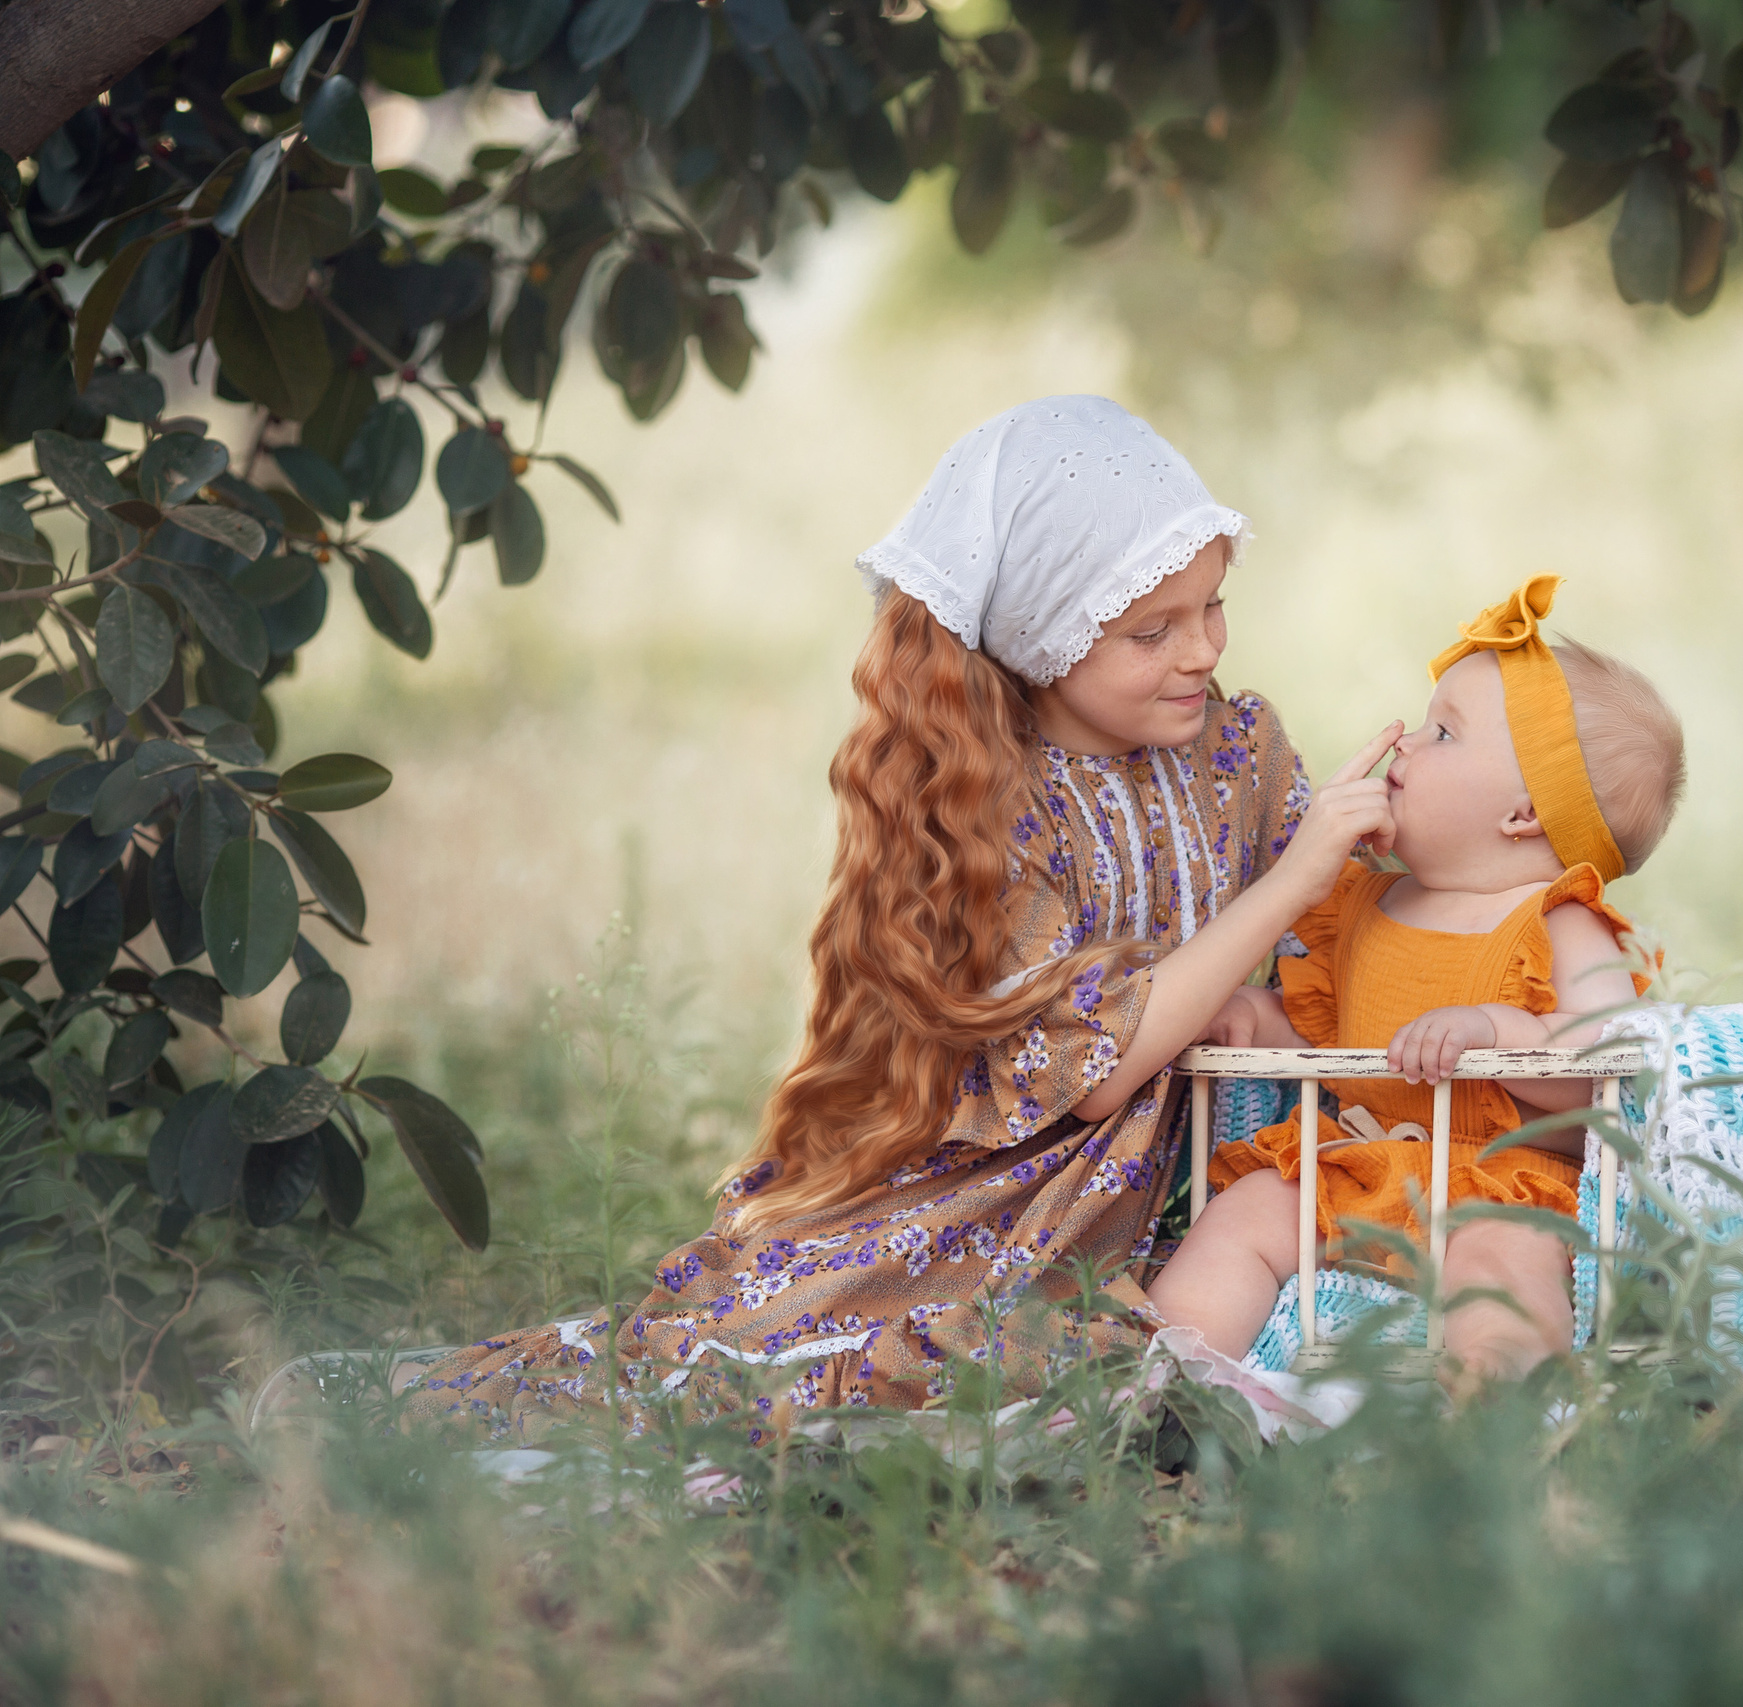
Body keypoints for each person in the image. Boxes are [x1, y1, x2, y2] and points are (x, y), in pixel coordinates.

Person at [404, 396, 1405, 1438]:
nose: (1202, 650)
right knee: (820, 1365)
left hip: (1198, 1175)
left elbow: (1346, 946)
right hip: (1006, 1192)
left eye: (1214, 606)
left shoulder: (1236, 752)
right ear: (1042, 642)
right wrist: (1280, 889)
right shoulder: (993, 806)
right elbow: (1097, 1065)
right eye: (1151, 630)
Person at [1148, 575, 1686, 1389]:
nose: (1406, 742)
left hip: (1502, 1187)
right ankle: (1164, 1383)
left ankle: (1494, 1419)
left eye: (1443, 733)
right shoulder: (1366, 901)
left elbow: (1612, 1064)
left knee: (1502, 1268)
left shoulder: (1557, 922)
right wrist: (1251, 1017)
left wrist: (1497, 1029)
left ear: (1522, 815)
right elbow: (1333, 1038)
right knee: (1244, 1214)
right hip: (1359, 1161)